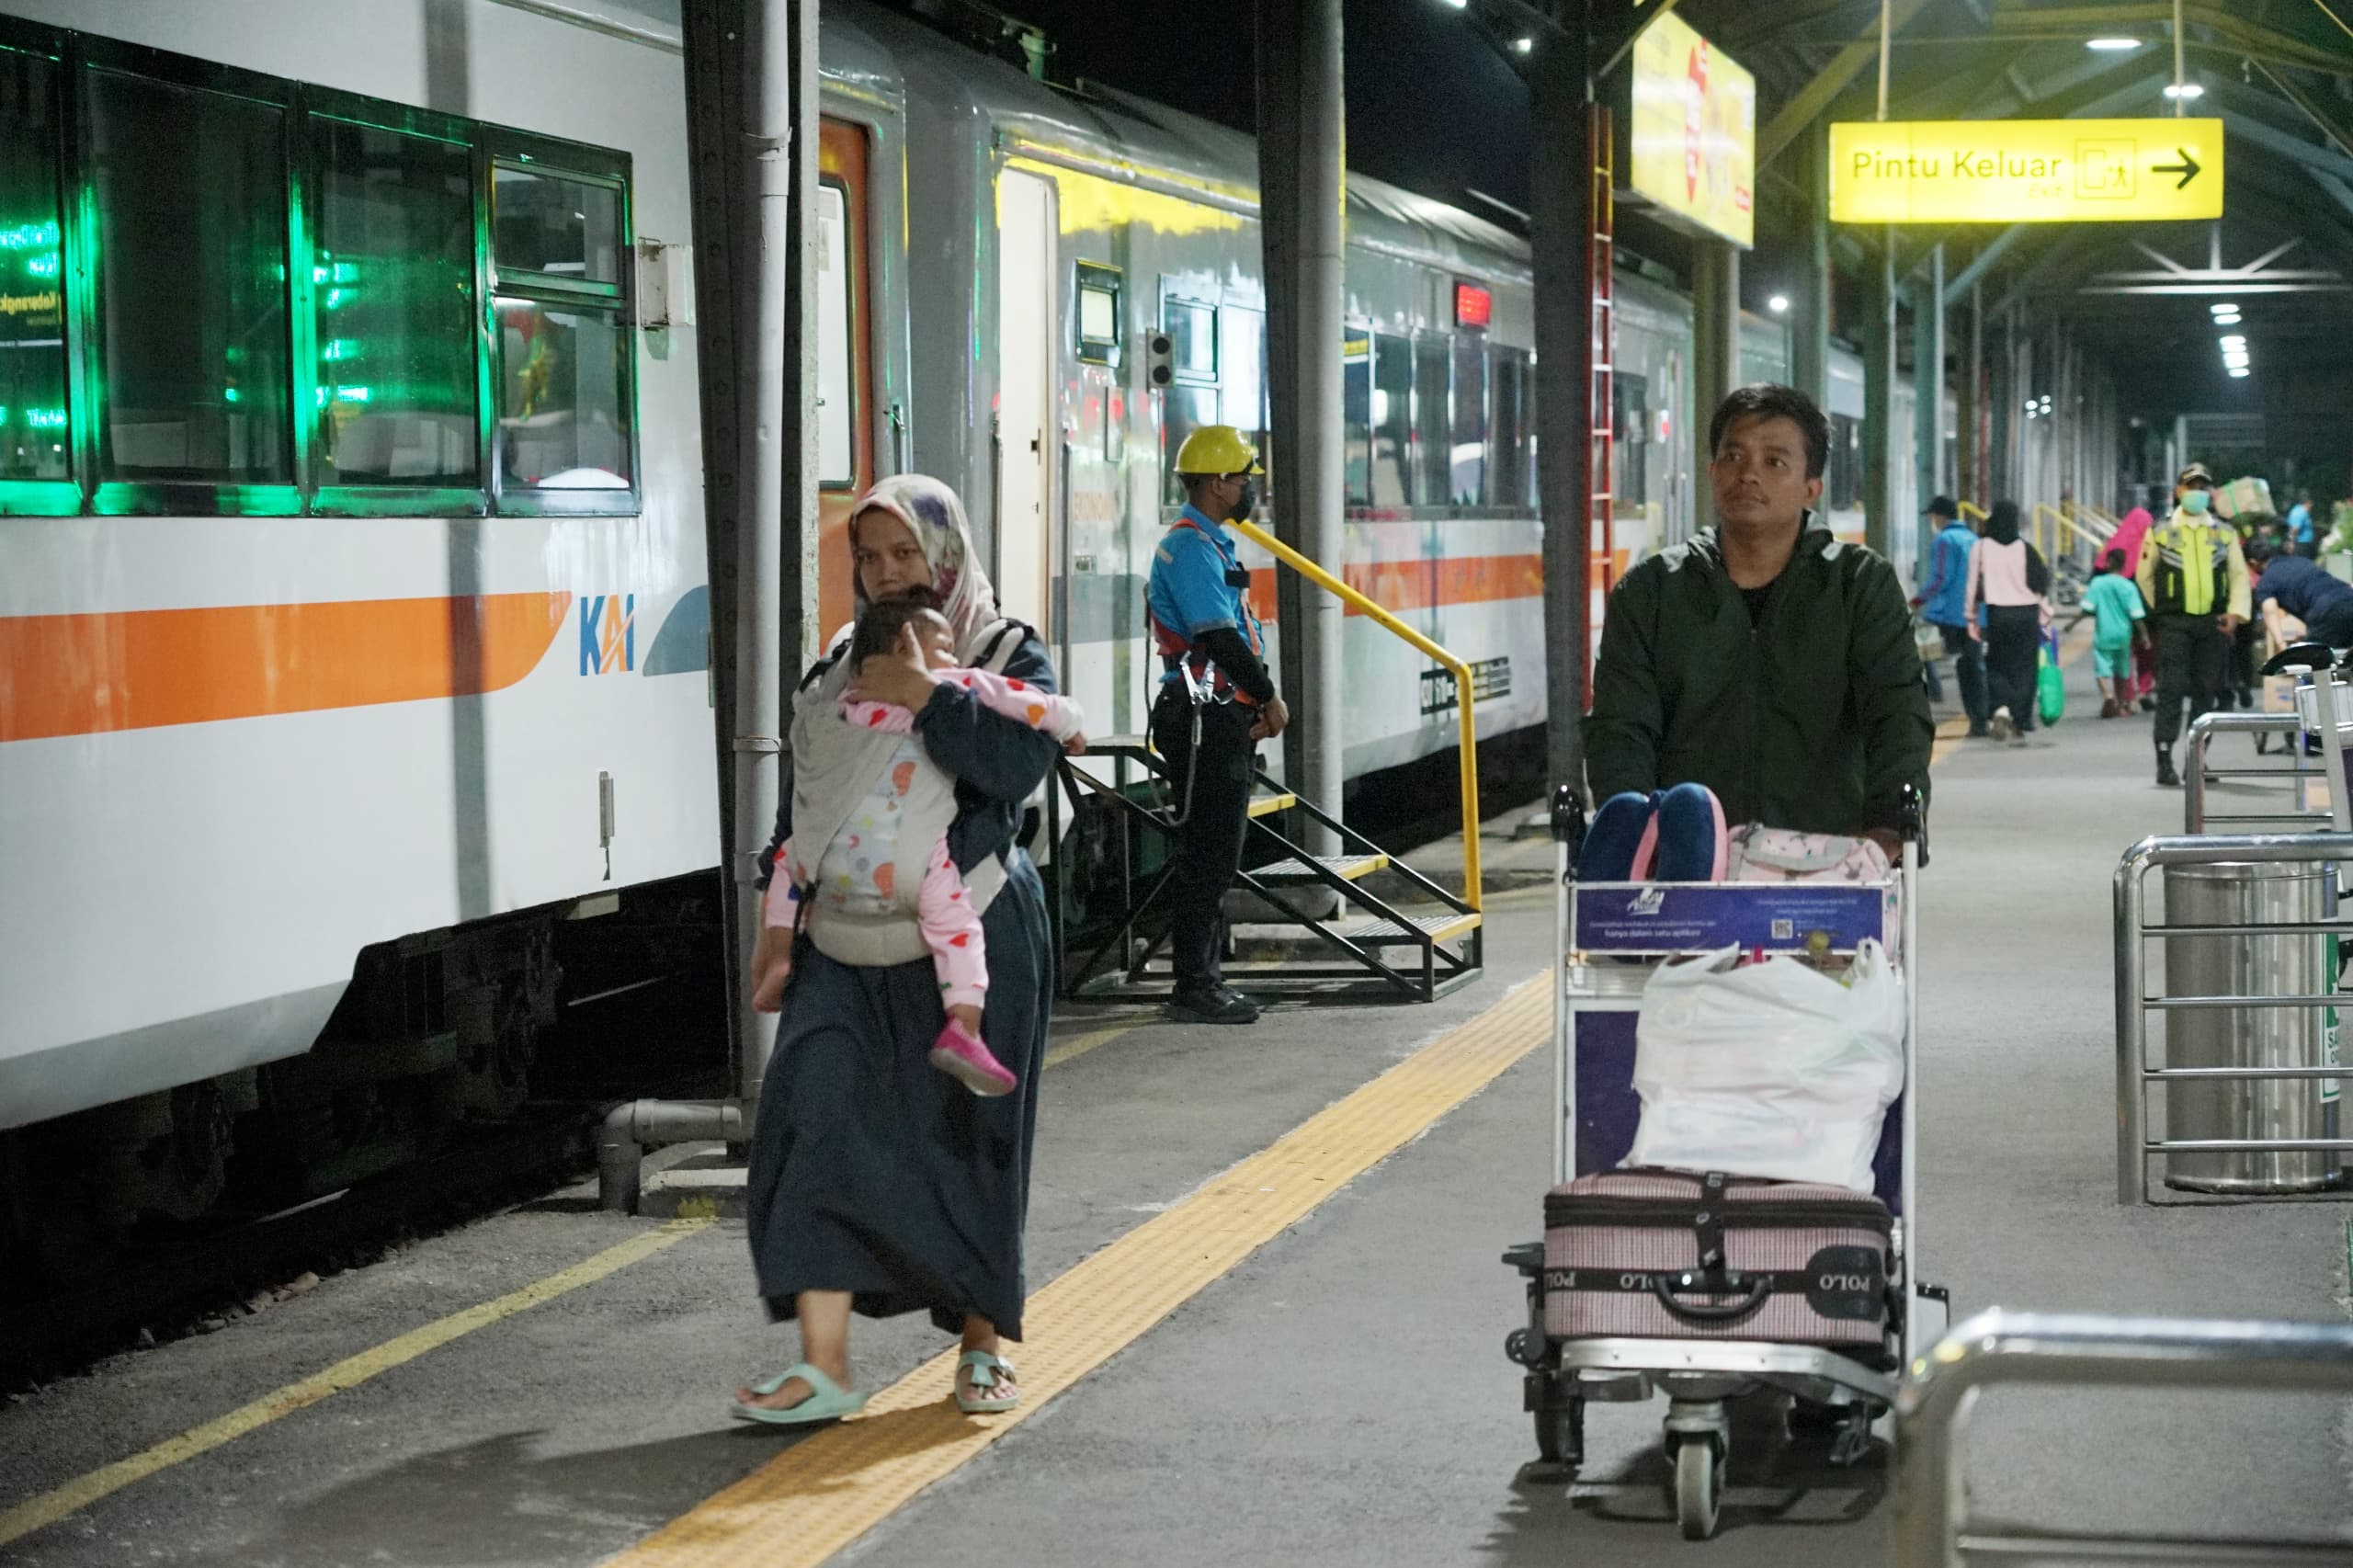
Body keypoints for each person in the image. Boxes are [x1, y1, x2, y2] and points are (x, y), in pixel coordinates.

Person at [733, 473, 1060, 1426]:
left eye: (904, 554)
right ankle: (824, 1363)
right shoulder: (838, 659)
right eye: (867, 557)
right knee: (811, 1122)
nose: (885, 575)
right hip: (842, 940)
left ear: (945, 555)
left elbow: (1016, 766)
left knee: (971, 1143)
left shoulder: (1005, 649)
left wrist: (928, 693)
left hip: (973, 935)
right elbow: (815, 790)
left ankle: (982, 1344)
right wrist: (782, 893)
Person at [754, 593, 1087, 1099]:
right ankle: (965, 1027)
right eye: (944, 649)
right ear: (906, 650)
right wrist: (1069, 722)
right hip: (905, 858)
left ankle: (777, 958)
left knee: (787, 866)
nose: (953, 661)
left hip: (829, 855)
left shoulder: (841, 702)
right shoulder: (943, 685)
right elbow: (1023, 700)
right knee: (956, 927)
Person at [1585, 383, 1933, 857]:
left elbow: (1898, 717)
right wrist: (1638, 836)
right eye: (1732, 456)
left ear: (1813, 487)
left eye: (1774, 461)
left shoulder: (1858, 586)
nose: (1747, 474)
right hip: (1687, 864)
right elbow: (1620, 731)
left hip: (1828, 859)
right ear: (1711, 472)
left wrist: (1889, 833)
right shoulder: (1652, 592)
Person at [1147, 424, 1290, 1027]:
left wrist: (1249, 704)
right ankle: (1194, 986)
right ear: (1215, 484)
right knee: (1208, 856)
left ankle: (1204, 980)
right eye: (1243, 477)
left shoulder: (1209, 545)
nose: (1249, 486)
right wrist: (1269, 697)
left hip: (1217, 714)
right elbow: (1218, 635)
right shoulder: (1191, 550)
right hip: (1202, 717)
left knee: (1215, 853)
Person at [2138, 461, 2251, 788]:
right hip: (2174, 624)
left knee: (2206, 692)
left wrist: (2235, 614)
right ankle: (2164, 760)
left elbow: (2239, 577)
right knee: (2171, 690)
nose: (2197, 493)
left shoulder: (2224, 532)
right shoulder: (2160, 531)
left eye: (2203, 488)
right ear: (2179, 492)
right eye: (2192, 487)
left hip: (2211, 625)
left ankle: (2196, 761)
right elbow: (2144, 576)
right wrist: (2161, 612)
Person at [1963, 500, 2053, 746]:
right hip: (2026, 614)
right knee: (2025, 668)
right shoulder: (2026, 549)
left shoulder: (1980, 547)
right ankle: (2020, 720)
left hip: (1997, 615)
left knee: (1996, 665)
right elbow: (2039, 586)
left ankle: (2001, 708)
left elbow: (1972, 587)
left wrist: (1970, 618)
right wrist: (2045, 617)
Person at [1912, 495, 1991, 737]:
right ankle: (1979, 720)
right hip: (1975, 615)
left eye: (1933, 516)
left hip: (1949, 614)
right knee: (1972, 666)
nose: (1932, 521)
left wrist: (1917, 600)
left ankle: (1933, 694)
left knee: (1920, 648)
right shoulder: (1973, 539)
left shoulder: (1945, 540)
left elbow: (1940, 578)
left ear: (1939, 516)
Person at [2068, 549, 2150, 719]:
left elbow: (2087, 609)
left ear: (2109, 562)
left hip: (2104, 634)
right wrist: (2144, 636)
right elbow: (2136, 615)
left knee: (2101, 669)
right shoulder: (2129, 586)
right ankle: (2121, 705)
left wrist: (2072, 624)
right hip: (2123, 635)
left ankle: (2108, 696)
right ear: (2124, 564)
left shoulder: (2098, 583)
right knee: (2122, 671)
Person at [2252, 532, 2353, 650]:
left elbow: (2270, 611)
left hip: (2326, 611)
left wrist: (2281, 644)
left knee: (2312, 660)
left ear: (2253, 562)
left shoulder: (2265, 582)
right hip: (2348, 597)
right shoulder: (2300, 561)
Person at [2110, 503, 2159, 711]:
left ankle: (2126, 695)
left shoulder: (2117, 544)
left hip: (2121, 611)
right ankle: (2145, 689)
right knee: (2148, 651)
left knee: (2123, 653)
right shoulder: (2154, 543)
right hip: (2150, 608)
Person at [2288, 489, 2316, 554]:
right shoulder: (2299, 512)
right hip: (2300, 545)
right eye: (2311, 503)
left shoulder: (2303, 512)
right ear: (2307, 503)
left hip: (2304, 544)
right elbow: (2294, 529)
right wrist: (2291, 543)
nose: (2312, 506)